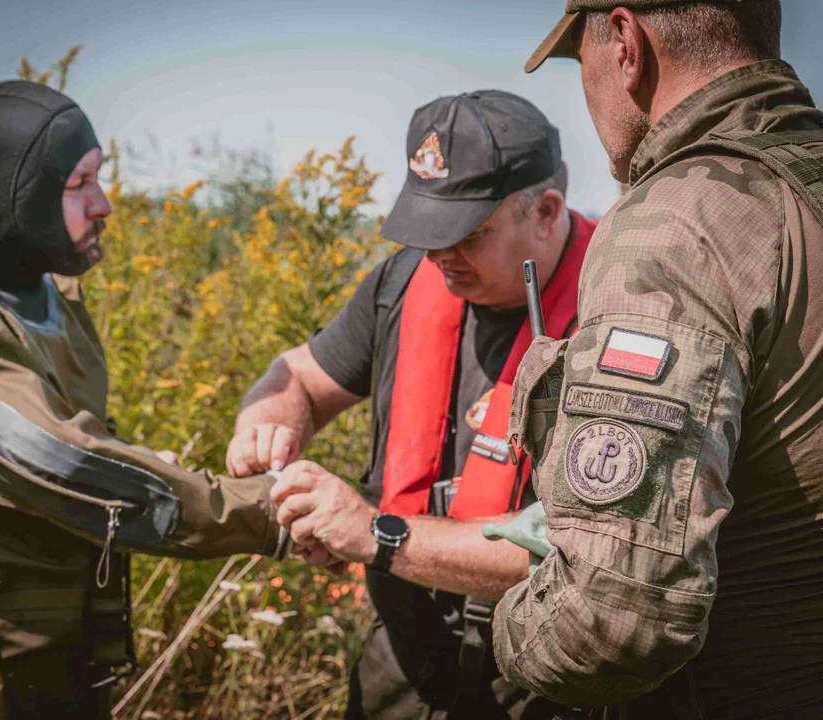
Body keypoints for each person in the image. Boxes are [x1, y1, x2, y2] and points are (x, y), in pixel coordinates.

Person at [0, 80, 286, 718]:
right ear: (12, 195)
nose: (103, 205)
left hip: (56, 660)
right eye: (78, 185)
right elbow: (64, 463)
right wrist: (277, 512)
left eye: (98, 179)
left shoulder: (35, 296)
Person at [490, 1, 823, 718]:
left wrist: (507, 629)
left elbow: (613, 627)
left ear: (625, 43)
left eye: (582, 59)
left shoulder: (675, 222)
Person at [229, 90, 596, 718]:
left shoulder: (618, 310)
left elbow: (581, 557)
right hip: (403, 663)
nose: (441, 257)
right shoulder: (403, 283)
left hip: (541, 677)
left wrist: (372, 533)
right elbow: (297, 375)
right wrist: (268, 421)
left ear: (546, 210)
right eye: (428, 233)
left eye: (466, 235)